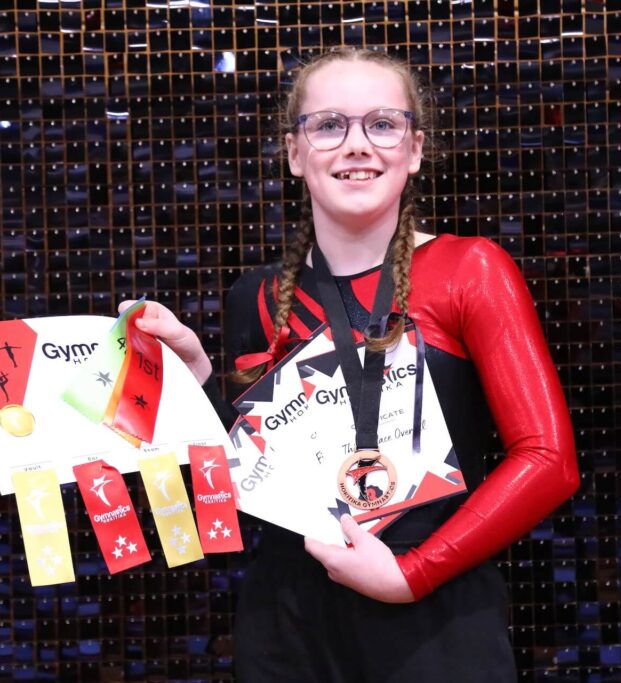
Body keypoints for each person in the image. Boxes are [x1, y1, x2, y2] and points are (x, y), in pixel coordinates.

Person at [121, 47, 579, 682]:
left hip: (435, 617)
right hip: (285, 625)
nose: (357, 144)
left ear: (415, 149)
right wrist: (194, 377)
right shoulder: (252, 298)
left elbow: (548, 461)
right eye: (329, 125)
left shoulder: (469, 270)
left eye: (383, 124)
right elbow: (252, 477)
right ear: (294, 152)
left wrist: (412, 573)